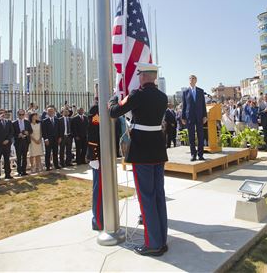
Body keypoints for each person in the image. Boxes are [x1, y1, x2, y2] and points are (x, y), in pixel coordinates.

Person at [109, 62, 168, 257]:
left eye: (139, 73)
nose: (138, 76)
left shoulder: (137, 95)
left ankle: (153, 243)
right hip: (158, 150)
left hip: (142, 150)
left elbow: (114, 112)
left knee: (146, 197)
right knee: (158, 195)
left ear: (144, 76)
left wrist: (112, 101)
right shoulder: (162, 96)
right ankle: (161, 239)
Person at [181, 74, 207, 161]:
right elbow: (184, 106)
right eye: (190, 78)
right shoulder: (185, 92)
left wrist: (204, 116)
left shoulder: (200, 91)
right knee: (191, 136)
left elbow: (203, 105)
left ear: (196, 80)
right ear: (189, 80)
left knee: (200, 135)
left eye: (193, 78)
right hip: (189, 117)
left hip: (199, 116)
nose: (192, 80)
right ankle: (193, 154)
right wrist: (183, 117)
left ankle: (200, 155)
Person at [87, 95, 102, 231]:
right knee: (98, 189)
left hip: (105, 155)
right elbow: (92, 134)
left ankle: (104, 217)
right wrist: (94, 156)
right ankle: (97, 220)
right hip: (98, 156)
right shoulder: (95, 109)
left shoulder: (105, 108)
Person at [0, 109, 14, 181]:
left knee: (7, 159)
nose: (3, 114)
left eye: (4, 113)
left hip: (7, 144)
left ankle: (8, 174)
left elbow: (11, 132)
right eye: (1, 113)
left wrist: (8, 139)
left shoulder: (9, 122)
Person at [12, 109, 33, 176]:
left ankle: (24, 171)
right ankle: (19, 171)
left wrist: (27, 132)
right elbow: (12, 133)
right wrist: (18, 135)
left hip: (25, 141)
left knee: (24, 157)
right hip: (18, 142)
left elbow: (31, 131)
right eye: (20, 114)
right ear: (17, 115)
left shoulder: (27, 122)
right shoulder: (14, 123)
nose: (21, 116)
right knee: (18, 157)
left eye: (23, 114)